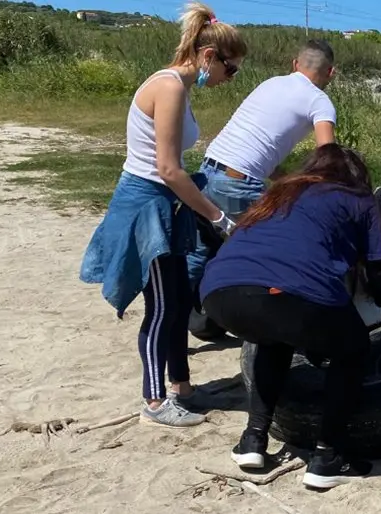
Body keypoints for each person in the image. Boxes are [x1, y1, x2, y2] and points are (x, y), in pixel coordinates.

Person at [78, 2, 246, 428]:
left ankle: (182, 388)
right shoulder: (168, 87)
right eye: (230, 69)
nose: (229, 78)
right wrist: (217, 217)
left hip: (167, 204)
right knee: (161, 307)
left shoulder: (180, 88)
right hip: (147, 205)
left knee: (176, 300)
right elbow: (169, 170)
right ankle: (153, 401)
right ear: (209, 56)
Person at [200, 144, 381, 490]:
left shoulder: (279, 193)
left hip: (219, 292)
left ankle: (253, 440)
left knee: (273, 338)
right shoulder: (360, 200)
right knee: (353, 347)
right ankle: (328, 456)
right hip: (288, 291)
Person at [185, 38, 339, 288]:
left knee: (199, 254)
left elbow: (256, 147)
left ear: (295, 64)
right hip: (238, 185)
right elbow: (328, 156)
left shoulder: (271, 83)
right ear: (330, 72)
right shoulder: (319, 101)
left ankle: (180, 307)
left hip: (207, 172)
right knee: (283, 245)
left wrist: (289, 179)